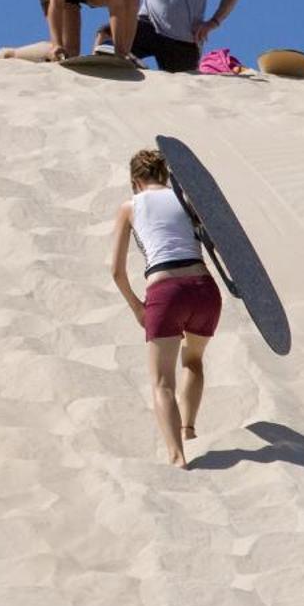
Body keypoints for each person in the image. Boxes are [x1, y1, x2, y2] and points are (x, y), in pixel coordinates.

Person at [109, 147, 221, 469]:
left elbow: (114, 269)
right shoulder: (187, 201)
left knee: (161, 383)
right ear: (165, 175)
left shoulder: (130, 207)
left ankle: (177, 457)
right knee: (194, 360)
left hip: (165, 292)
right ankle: (188, 430)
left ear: (135, 181)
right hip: (205, 291)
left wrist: (137, 308)